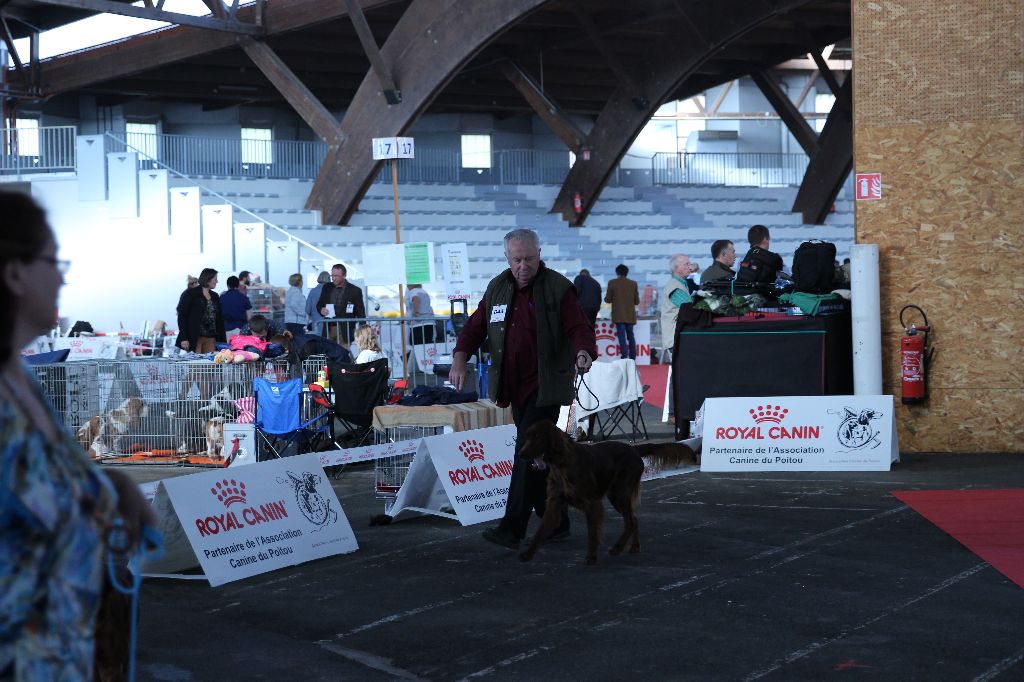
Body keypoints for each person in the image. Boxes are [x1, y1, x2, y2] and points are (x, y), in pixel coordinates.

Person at [0, 191, 156, 678]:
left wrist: (110, 484)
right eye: (54, 260)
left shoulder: (19, 379)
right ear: (15, 272)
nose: (63, 276)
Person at [448, 228, 597, 550]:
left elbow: (578, 326)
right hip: (513, 387)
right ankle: (555, 521)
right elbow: (475, 328)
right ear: (507, 258)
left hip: (546, 387)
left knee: (526, 452)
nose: (523, 266)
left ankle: (512, 527)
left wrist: (584, 351)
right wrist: (459, 359)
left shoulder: (558, 288)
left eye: (529, 258)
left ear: (539, 254)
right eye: (516, 260)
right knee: (538, 459)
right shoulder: (497, 288)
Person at [176, 267, 225, 353]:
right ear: (208, 279)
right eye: (215, 279)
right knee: (195, 364)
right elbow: (182, 315)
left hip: (211, 338)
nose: (217, 281)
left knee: (210, 365)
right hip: (194, 337)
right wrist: (183, 337)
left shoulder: (215, 296)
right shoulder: (190, 294)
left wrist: (222, 339)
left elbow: (219, 318)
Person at [317, 263, 365, 345]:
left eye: (337, 276)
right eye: (332, 275)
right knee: (328, 356)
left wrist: (363, 332)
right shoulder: (326, 287)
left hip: (346, 330)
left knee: (344, 355)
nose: (334, 278)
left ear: (344, 276)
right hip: (329, 329)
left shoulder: (355, 291)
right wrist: (321, 310)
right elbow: (319, 304)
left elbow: (361, 312)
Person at [604, 263, 639, 360]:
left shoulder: (612, 283)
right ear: (627, 273)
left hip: (618, 315)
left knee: (622, 336)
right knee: (630, 336)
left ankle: (624, 356)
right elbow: (637, 301)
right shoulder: (633, 283)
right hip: (630, 315)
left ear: (617, 272)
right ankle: (633, 357)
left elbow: (607, 299)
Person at [660, 253, 692, 357]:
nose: (689, 267)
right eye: (686, 264)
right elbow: (690, 309)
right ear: (676, 268)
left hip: (679, 337)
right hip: (676, 339)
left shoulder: (679, 284)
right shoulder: (674, 287)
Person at [305, 270, 331, 336]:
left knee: (318, 341)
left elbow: (307, 309)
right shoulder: (331, 291)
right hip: (329, 322)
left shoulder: (313, 291)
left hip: (316, 321)